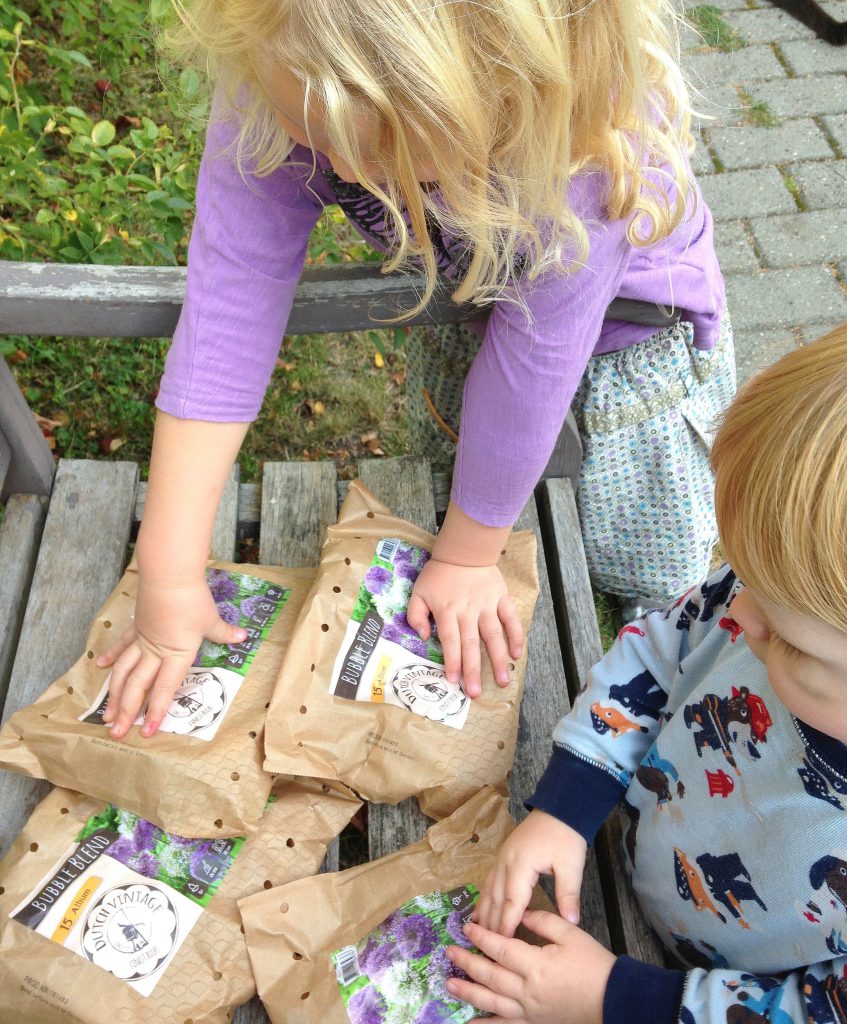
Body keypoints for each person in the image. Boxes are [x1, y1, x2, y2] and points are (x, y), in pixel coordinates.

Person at [98, 0, 730, 740]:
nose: (336, 171)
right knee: (458, 484)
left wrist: (466, 559)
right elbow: (230, 299)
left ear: (511, 96)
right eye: (317, 138)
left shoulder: (590, 146)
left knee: (645, 560)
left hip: (633, 357)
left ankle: (669, 679)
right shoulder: (282, 51)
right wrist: (167, 571)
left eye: (377, 153)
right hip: (470, 307)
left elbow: (536, 358)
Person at [445, 323, 847, 1024]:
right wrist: (567, 808)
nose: (737, 616)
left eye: (785, 638)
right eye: (737, 571)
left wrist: (615, 998)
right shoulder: (782, 608)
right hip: (628, 847)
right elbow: (658, 652)